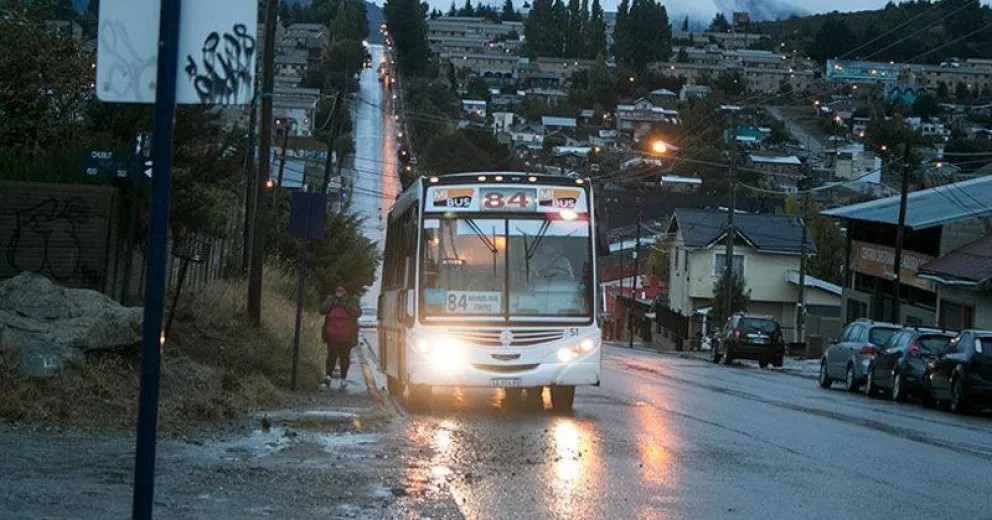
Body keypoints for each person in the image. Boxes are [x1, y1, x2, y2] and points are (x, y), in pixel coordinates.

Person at [320, 285, 362, 390]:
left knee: (345, 357)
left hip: (347, 336)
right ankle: (328, 376)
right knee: (331, 356)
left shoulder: (352, 301)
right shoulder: (331, 299)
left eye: (342, 291)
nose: (340, 292)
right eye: (338, 290)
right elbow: (322, 309)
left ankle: (343, 378)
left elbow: (357, 313)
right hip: (332, 334)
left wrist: (343, 303)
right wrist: (333, 302)